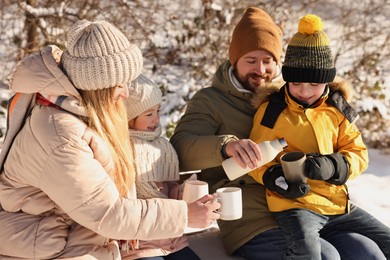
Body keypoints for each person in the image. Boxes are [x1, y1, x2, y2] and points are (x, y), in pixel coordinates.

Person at [171, 7, 388, 260]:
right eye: (250, 60)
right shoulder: (210, 101)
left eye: (268, 61)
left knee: (367, 251)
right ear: (234, 60)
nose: (260, 70)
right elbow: (181, 148)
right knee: (326, 256)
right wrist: (226, 147)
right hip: (251, 215)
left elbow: (348, 148)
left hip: (311, 204)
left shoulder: (295, 95)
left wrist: (332, 165)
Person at [0, 20, 219, 259]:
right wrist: (184, 215)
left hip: (74, 235)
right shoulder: (61, 137)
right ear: (98, 87)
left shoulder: (78, 116)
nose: (126, 93)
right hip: (46, 247)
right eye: (119, 85)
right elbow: (107, 213)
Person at [248, 14, 390, 259]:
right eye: (296, 83)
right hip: (296, 205)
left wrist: (335, 165)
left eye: (314, 84)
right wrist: (275, 177)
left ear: (326, 81)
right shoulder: (272, 111)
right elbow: (256, 159)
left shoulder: (337, 109)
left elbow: (358, 153)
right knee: (308, 251)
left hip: (336, 203)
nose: (304, 91)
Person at [120, 74, 200, 259]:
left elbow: (168, 188)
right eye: (148, 114)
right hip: (139, 244)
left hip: (171, 239)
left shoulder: (161, 146)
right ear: (128, 116)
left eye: (158, 111)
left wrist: (181, 192)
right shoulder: (121, 149)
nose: (156, 120)